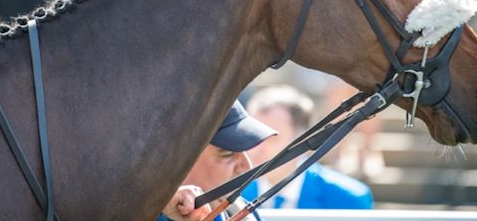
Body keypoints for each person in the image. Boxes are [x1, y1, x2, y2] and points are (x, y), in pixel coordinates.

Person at [241, 86, 374, 209]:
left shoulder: (349, 200)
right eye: (252, 135)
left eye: (272, 137)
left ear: (302, 141)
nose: (256, 147)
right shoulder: (234, 198)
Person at [160, 100, 277, 221]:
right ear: (178, 160)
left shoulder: (243, 212)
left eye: (245, 150)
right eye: (227, 153)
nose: (247, 166)